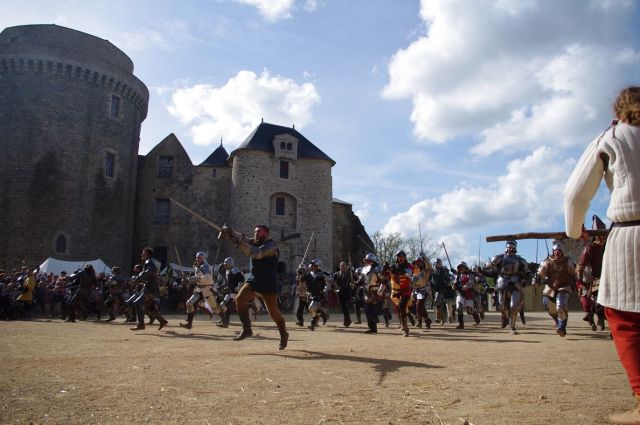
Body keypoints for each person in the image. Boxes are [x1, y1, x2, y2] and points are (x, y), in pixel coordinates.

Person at [564, 86, 640, 424]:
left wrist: (573, 229)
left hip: (631, 233)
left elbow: (575, 194)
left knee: (626, 320)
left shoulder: (612, 137)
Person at [220, 224, 289, 350]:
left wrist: (234, 240)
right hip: (254, 281)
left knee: (274, 314)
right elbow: (244, 238)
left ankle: (284, 334)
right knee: (239, 299)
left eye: (259, 232)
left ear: (266, 233)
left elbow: (256, 253)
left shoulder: (271, 247)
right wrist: (230, 233)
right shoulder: (255, 241)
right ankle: (247, 329)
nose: (256, 234)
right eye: (255, 232)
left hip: (268, 284)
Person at [483, 240, 530, 335]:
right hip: (503, 282)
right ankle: (505, 317)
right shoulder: (499, 257)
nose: (511, 248)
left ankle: (512, 327)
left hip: (516, 283)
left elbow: (526, 270)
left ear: (516, 248)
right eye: (509, 246)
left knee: (514, 306)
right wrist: (488, 265)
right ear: (506, 247)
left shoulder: (520, 260)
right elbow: (490, 265)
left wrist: (529, 274)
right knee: (502, 306)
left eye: (513, 246)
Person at [535, 243, 577, 337]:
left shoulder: (568, 262)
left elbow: (575, 273)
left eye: (559, 251)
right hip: (550, 288)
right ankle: (557, 321)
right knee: (549, 308)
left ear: (562, 252)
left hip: (564, 287)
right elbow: (541, 273)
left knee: (560, 307)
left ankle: (562, 327)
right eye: (555, 251)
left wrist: (578, 282)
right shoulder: (548, 262)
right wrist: (537, 280)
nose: (557, 253)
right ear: (553, 252)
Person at [576, 215, 607, 331]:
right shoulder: (590, 248)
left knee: (604, 302)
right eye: (600, 235)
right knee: (593, 301)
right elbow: (581, 264)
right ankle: (597, 318)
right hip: (591, 279)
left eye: (603, 235)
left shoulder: (609, 247)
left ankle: (601, 318)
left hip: (606, 278)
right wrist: (579, 276)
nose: (602, 238)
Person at [130, 247, 168, 331]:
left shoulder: (149, 261)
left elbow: (152, 270)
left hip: (150, 288)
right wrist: (138, 279)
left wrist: (139, 277)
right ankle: (162, 321)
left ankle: (141, 324)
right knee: (150, 306)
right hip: (151, 287)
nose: (141, 254)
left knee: (137, 303)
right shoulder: (151, 261)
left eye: (143, 253)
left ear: (147, 254)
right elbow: (149, 274)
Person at [180, 251, 220, 330]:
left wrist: (190, 279)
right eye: (197, 258)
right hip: (199, 289)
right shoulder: (197, 267)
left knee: (215, 309)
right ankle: (189, 323)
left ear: (203, 258)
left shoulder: (205, 266)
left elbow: (206, 277)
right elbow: (197, 278)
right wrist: (186, 280)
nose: (197, 259)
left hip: (208, 289)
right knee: (189, 303)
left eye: (199, 258)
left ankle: (224, 319)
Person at [388, 250, 414, 337]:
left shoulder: (409, 266)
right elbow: (385, 276)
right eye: (399, 256)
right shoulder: (394, 266)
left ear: (405, 257)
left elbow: (409, 274)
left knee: (402, 306)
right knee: (399, 308)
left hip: (406, 290)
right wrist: (387, 268)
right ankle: (403, 323)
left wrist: (399, 270)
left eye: (402, 256)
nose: (400, 258)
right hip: (397, 291)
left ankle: (405, 328)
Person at [214, 257, 245, 328]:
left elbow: (242, 278)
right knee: (223, 306)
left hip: (235, 293)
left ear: (230, 264)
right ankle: (225, 323)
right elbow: (228, 283)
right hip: (230, 293)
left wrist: (239, 287)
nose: (225, 265)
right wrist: (223, 288)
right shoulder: (228, 271)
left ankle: (225, 322)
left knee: (225, 306)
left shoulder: (234, 270)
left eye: (226, 264)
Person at [359, 253, 383, 334]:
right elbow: (361, 279)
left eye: (368, 260)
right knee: (367, 311)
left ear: (372, 260)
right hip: (366, 292)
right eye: (366, 260)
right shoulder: (364, 269)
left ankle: (375, 325)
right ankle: (372, 328)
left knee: (373, 311)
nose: (367, 261)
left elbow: (382, 279)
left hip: (375, 292)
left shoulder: (377, 268)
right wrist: (355, 283)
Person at [453, 262, 481, 329]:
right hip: (461, 294)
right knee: (459, 307)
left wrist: (463, 287)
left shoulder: (470, 274)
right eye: (460, 267)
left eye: (462, 267)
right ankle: (461, 324)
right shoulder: (458, 276)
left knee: (470, 311)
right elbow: (455, 283)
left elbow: (470, 284)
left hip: (469, 293)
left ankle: (476, 318)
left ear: (465, 267)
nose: (461, 268)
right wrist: (454, 286)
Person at [411, 256, 432, 329]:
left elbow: (430, 267)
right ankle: (422, 322)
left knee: (419, 305)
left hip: (424, 290)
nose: (419, 264)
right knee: (420, 306)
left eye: (420, 262)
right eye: (417, 262)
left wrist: (425, 258)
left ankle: (427, 320)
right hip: (415, 290)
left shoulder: (426, 270)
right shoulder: (414, 271)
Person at [334, 261, 353, 327]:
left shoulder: (348, 274)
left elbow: (353, 278)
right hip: (340, 292)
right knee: (344, 308)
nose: (342, 267)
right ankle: (347, 321)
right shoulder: (337, 274)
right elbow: (333, 279)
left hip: (347, 292)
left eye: (343, 266)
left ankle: (347, 321)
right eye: (341, 266)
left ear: (346, 267)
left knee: (345, 307)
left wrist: (351, 269)